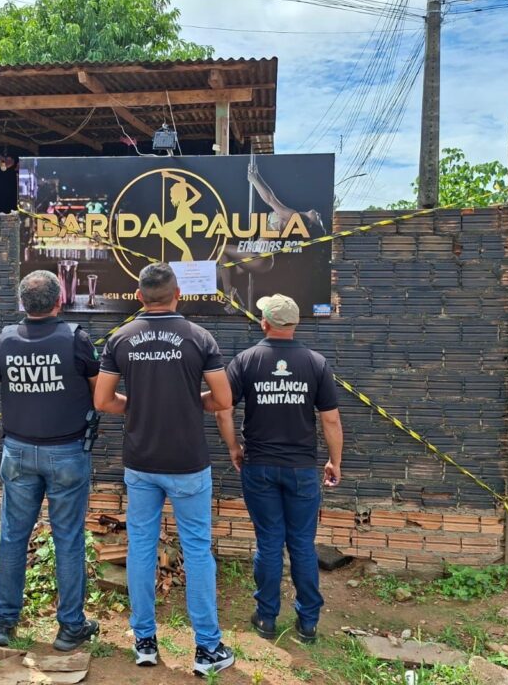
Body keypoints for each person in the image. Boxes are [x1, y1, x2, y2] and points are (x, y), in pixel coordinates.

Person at [94, 262, 239, 676]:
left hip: (141, 461)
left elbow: (103, 401)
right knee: (196, 549)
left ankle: (144, 641)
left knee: (141, 546)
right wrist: (194, 402)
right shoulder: (199, 337)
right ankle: (207, 648)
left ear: (139, 297)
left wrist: (137, 406)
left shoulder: (121, 338)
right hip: (188, 462)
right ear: (178, 295)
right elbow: (223, 399)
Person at [206, 294, 344, 644]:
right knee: (302, 544)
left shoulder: (246, 360)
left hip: (260, 467)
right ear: (294, 324)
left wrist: (234, 447)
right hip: (301, 470)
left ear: (264, 322)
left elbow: (223, 410)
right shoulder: (315, 363)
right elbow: (330, 419)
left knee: (268, 542)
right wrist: (335, 460)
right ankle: (308, 623)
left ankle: (266, 618)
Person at [0, 270, 101, 651]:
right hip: (66, 451)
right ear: (59, 300)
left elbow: (3, 378)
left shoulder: (6, 339)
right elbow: (98, 392)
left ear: (24, 303)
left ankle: (2, 622)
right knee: (68, 539)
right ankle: (70, 627)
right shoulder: (76, 339)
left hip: (18, 451)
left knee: (12, 536)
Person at [218, 162, 327, 312]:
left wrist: (254, 179)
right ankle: (235, 302)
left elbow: (270, 199)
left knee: (222, 249)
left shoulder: (294, 217)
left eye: (319, 220)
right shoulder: (293, 216)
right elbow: (271, 196)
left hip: (261, 257)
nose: (319, 214)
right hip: (259, 256)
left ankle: (228, 294)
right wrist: (257, 177)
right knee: (221, 272)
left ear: (310, 224)